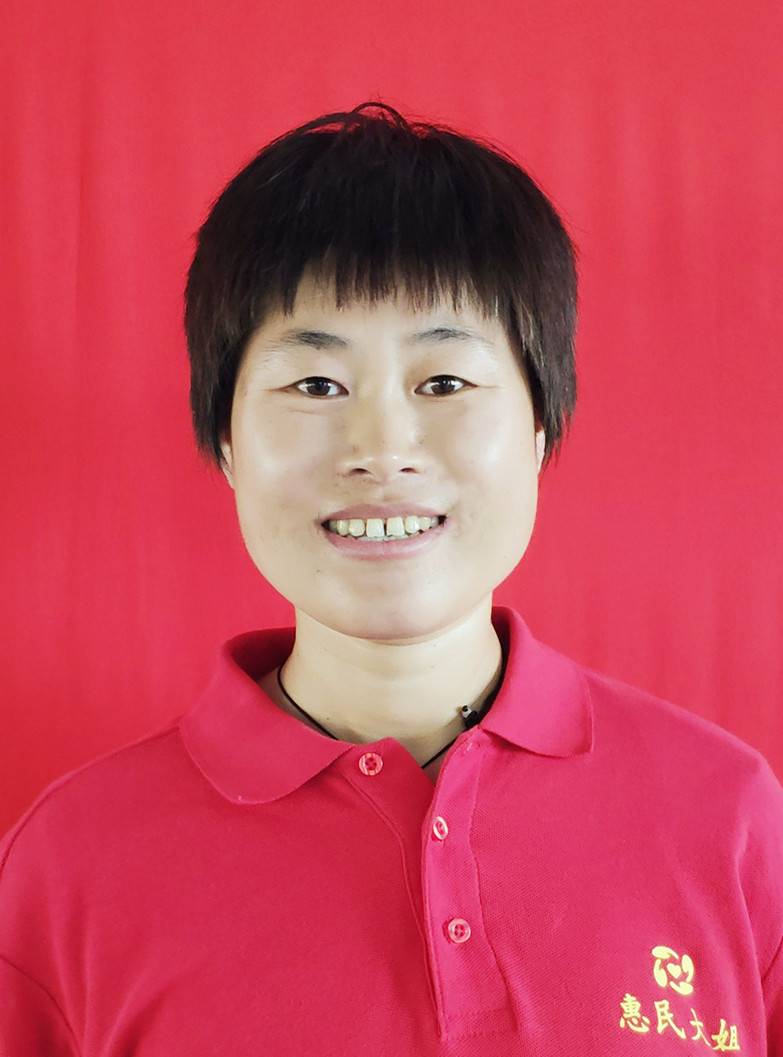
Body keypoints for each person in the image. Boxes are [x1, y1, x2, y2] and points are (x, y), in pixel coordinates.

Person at [1, 100, 781, 1055]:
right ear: (226, 440)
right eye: (315, 385)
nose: (382, 447)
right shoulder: (66, 866)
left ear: (539, 428)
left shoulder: (724, 812)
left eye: (443, 383)